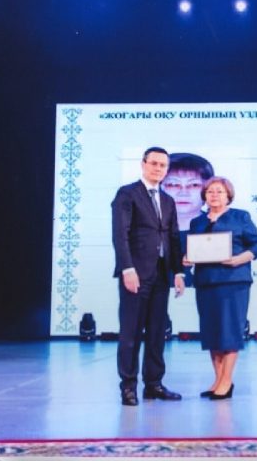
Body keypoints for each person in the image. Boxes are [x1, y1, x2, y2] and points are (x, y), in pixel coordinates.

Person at [111, 147, 186, 406]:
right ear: (143, 164)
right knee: (131, 332)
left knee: (156, 332)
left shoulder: (168, 200)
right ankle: (128, 387)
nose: (158, 168)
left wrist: (178, 271)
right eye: (153, 163)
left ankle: (154, 384)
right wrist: (127, 268)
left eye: (163, 165)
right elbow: (120, 234)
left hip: (161, 274)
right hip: (135, 273)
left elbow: (173, 238)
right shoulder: (127, 194)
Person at [184, 177, 257, 400]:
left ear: (228, 195)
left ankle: (227, 381)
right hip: (206, 282)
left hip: (233, 282)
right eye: (210, 191)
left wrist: (240, 259)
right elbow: (192, 250)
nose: (214, 195)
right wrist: (187, 259)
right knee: (212, 332)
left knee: (229, 331)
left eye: (219, 191)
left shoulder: (240, 216)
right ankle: (218, 378)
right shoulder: (197, 222)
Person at [161, 153, 215, 288]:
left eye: (194, 185)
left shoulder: (220, 226)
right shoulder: (147, 229)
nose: (183, 192)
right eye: (173, 184)